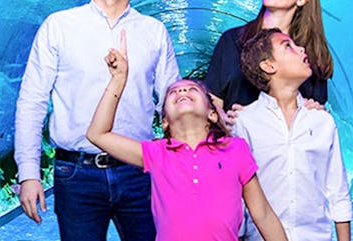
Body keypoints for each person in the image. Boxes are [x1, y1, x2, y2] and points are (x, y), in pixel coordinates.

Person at [14, 0, 180, 241]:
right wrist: (28, 173)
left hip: (138, 170)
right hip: (76, 174)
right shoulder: (59, 26)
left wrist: (181, 165)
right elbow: (31, 101)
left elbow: (173, 102)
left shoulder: (154, 31)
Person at [87, 30, 288, 241]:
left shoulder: (235, 148)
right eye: (173, 92)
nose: (182, 92)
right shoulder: (156, 153)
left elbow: (263, 214)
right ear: (164, 121)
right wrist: (119, 79)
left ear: (212, 113)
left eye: (192, 89)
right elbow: (97, 134)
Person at [234, 28, 352, 241]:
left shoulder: (322, 121)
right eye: (287, 46)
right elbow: (239, 195)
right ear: (269, 65)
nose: (301, 49)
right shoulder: (245, 122)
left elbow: (338, 191)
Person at [204, 0, 333, 113]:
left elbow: (317, 107)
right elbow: (212, 98)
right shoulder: (231, 40)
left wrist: (317, 111)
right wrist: (225, 121)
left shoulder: (310, 54)